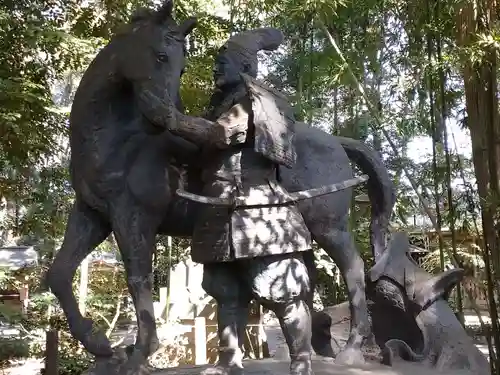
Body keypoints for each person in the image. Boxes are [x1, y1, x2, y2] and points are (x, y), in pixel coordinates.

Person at [177, 28, 314, 375]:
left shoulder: (258, 101)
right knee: (225, 289)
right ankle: (230, 360)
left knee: (280, 287)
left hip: (259, 207)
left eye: (223, 63)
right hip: (219, 206)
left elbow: (220, 133)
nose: (215, 70)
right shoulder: (220, 104)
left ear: (243, 65)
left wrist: (169, 118)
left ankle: (302, 359)